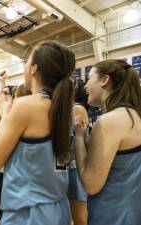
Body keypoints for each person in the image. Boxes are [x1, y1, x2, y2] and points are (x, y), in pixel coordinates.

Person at [0, 40, 75, 225]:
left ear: (34, 69)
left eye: (27, 61)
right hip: (59, 207)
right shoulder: (64, 109)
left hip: (29, 212)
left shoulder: (26, 105)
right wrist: (6, 114)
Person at [74, 59, 141, 225]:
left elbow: (91, 184)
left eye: (89, 78)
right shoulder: (133, 115)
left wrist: (79, 139)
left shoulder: (109, 121)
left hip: (112, 216)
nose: (85, 85)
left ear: (104, 80)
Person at [68, 79, 89, 225]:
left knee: (80, 219)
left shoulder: (77, 109)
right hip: (57, 169)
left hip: (74, 168)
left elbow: (85, 141)